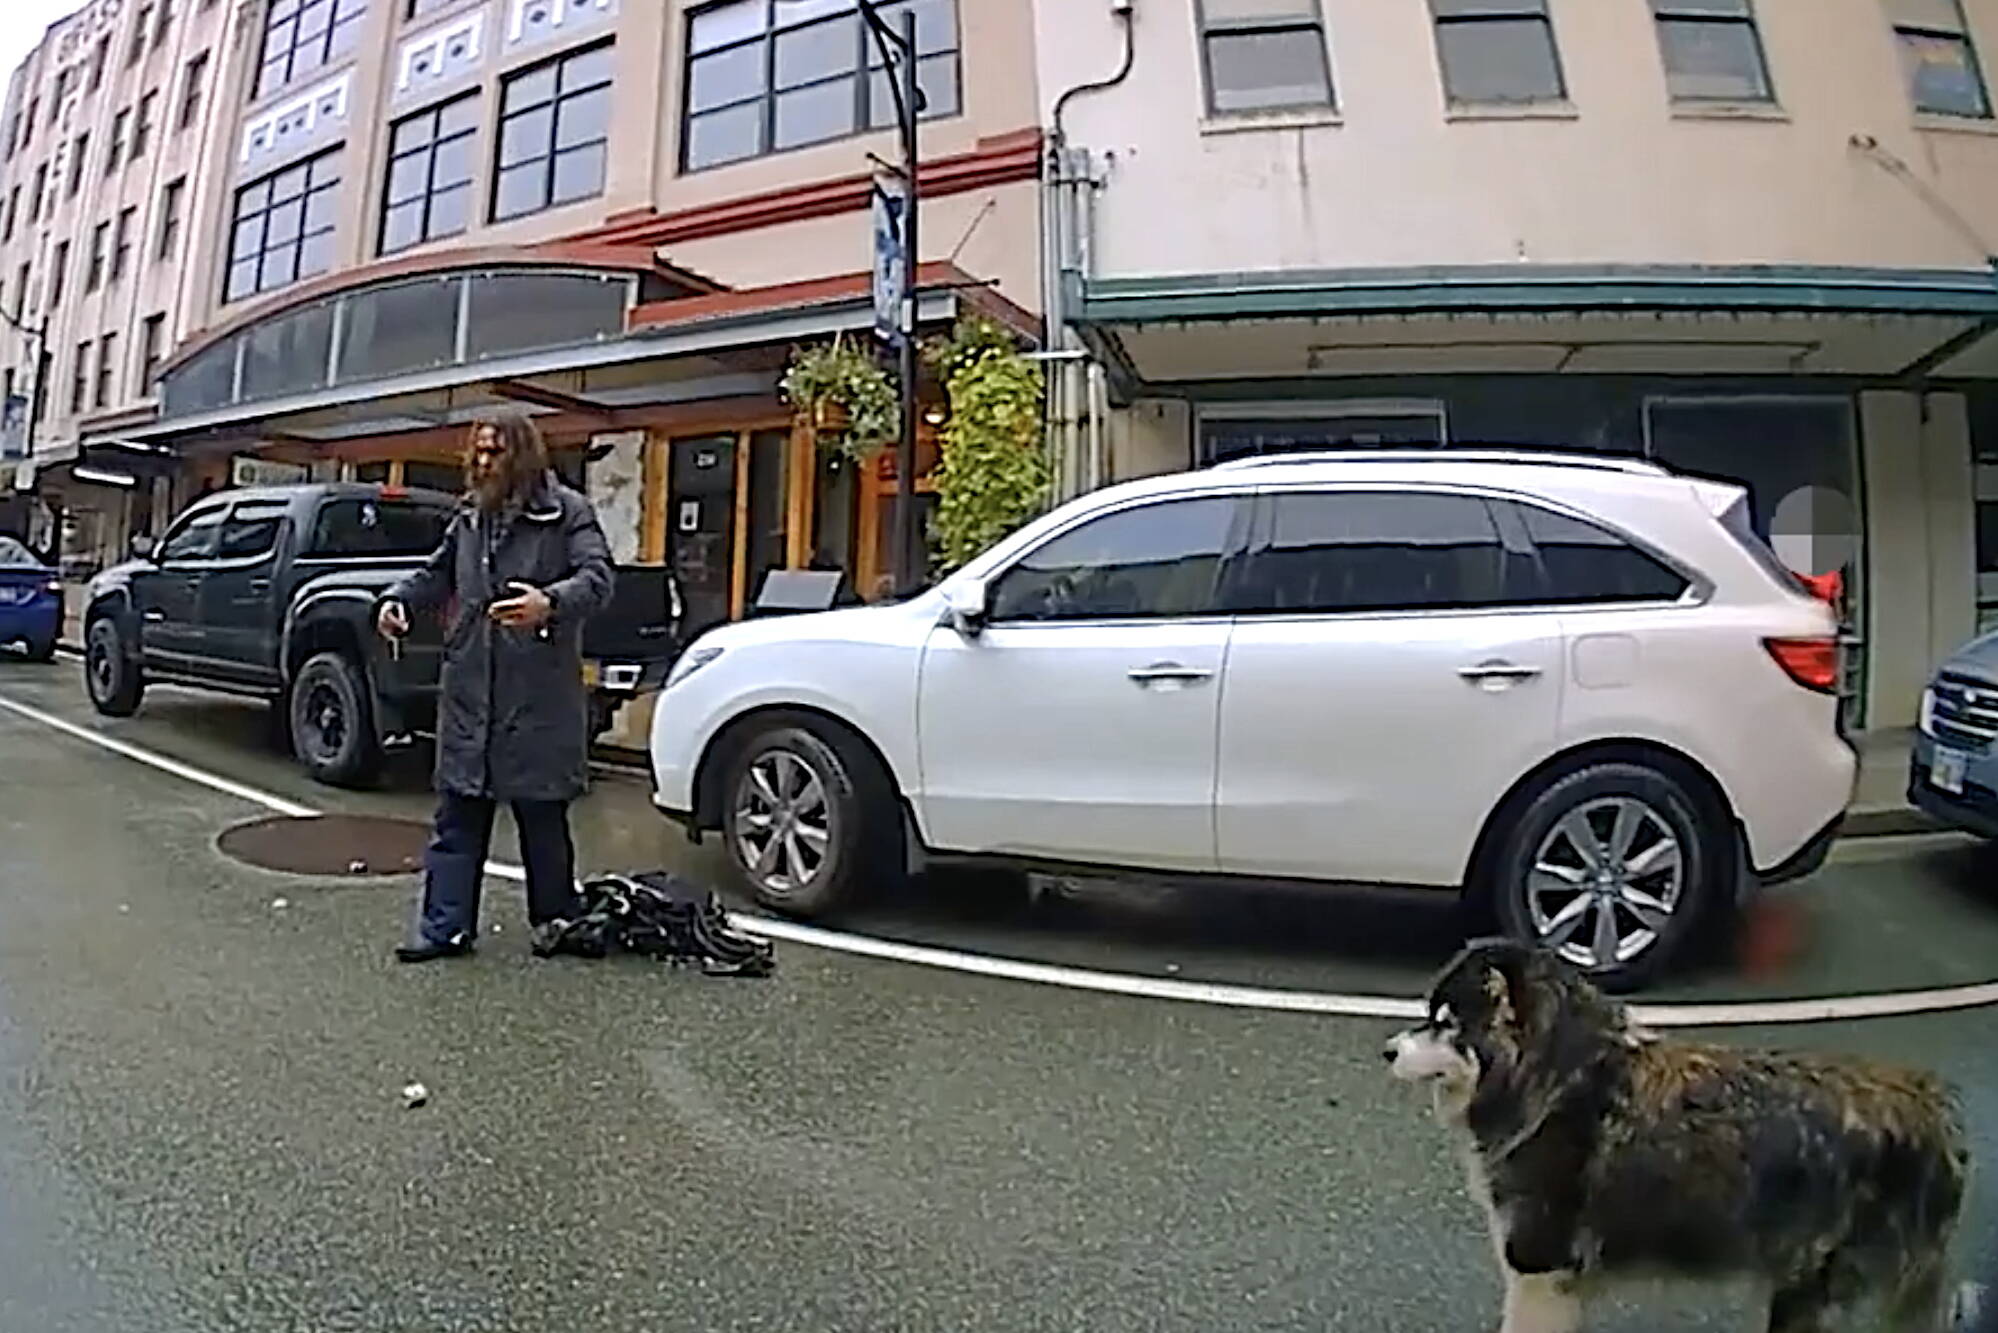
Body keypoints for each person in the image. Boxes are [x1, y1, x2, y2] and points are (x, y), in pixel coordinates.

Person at [376, 409, 614, 962]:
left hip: (537, 693)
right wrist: (396, 599)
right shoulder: (470, 516)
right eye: (479, 451)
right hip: (471, 687)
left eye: (496, 452)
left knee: (542, 820)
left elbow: (599, 578)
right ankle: (444, 929)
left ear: (524, 455)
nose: (483, 462)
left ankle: (555, 920)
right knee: (457, 815)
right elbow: (435, 573)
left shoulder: (568, 513)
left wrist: (548, 603)